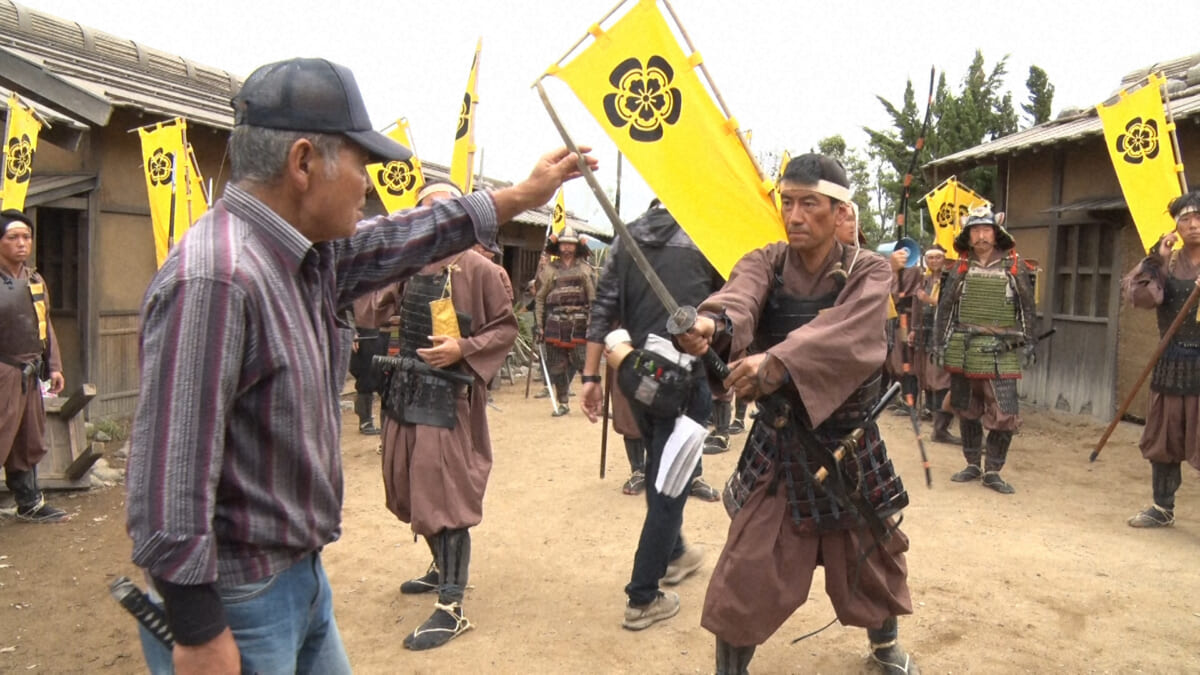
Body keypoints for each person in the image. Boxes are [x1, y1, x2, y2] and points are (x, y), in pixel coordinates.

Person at [124, 56, 594, 674]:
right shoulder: (218, 277)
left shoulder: (308, 258)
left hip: (299, 578)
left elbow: (400, 238)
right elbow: (168, 478)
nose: (369, 186)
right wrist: (198, 630)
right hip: (239, 605)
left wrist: (519, 197)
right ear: (303, 163)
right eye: (361, 165)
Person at [676, 154, 916, 674]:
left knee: (872, 552)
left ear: (838, 210)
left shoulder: (869, 270)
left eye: (810, 203)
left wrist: (777, 362)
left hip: (847, 440)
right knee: (747, 567)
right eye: (788, 202)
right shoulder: (767, 261)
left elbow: (845, 333)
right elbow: (738, 300)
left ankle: (884, 647)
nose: (796, 215)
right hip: (781, 438)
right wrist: (710, 327)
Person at [369, 180, 517, 650]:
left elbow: (506, 329)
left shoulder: (479, 269)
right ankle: (439, 569)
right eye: (422, 213)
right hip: (403, 391)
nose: (429, 222)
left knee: (446, 500)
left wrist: (463, 348)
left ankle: (451, 608)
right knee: (409, 487)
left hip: (447, 402)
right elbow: (373, 310)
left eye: (439, 212)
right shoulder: (408, 264)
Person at [580, 199, 721, 630]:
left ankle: (674, 553)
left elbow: (603, 309)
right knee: (670, 487)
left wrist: (589, 376)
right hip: (685, 381)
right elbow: (731, 309)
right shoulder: (707, 236)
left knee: (662, 472)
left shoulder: (627, 236)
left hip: (636, 375)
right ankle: (643, 597)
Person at [933, 206, 1037, 495]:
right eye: (975, 230)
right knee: (967, 409)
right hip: (963, 345)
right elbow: (945, 310)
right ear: (968, 235)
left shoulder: (1013, 266)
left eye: (985, 230)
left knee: (1005, 412)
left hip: (1001, 346)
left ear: (996, 232)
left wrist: (1030, 342)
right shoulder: (960, 268)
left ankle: (993, 470)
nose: (980, 235)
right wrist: (938, 343)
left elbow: (1028, 308)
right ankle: (972, 464)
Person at [1121, 191, 1200, 528]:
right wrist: (1155, 258)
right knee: (1164, 438)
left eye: (1199, 217)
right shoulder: (1166, 263)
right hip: (1171, 362)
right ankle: (1162, 507)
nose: (1194, 225)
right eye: (1185, 219)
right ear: (1175, 227)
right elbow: (1138, 296)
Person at [0, 209, 68, 523]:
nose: (21, 243)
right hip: (3, 371)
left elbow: (45, 324)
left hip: (29, 374)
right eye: (12, 237)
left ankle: (29, 502)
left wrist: (54, 366)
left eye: (26, 237)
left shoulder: (35, 279)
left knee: (28, 439)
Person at [535, 226, 594, 415]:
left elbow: (593, 299)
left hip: (579, 322)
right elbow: (540, 298)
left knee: (583, 362)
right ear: (558, 246)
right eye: (564, 244)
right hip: (555, 322)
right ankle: (563, 403)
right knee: (556, 366)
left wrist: (593, 323)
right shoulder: (550, 270)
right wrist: (539, 325)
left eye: (571, 244)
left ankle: (593, 401)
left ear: (576, 247)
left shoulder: (585, 269)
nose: (567, 247)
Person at [909, 245, 959, 443]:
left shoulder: (951, 280)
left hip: (944, 334)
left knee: (941, 378)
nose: (934, 262)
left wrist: (929, 299)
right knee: (926, 375)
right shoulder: (924, 280)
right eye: (931, 258)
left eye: (938, 258)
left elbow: (950, 304)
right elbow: (916, 305)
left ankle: (941, 425)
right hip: (925, 331)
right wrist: (913, 328)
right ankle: (930, 411)